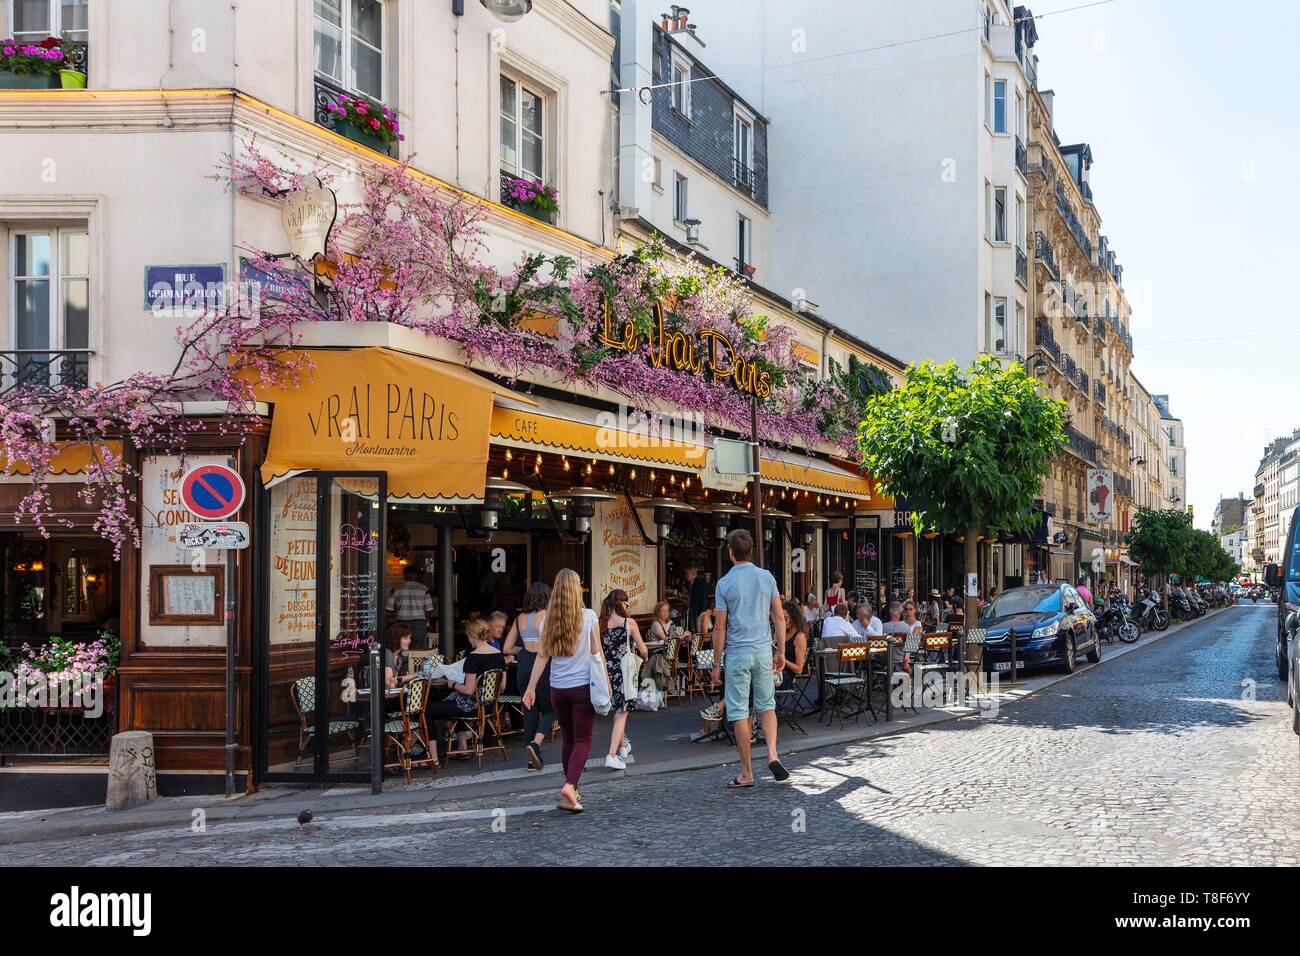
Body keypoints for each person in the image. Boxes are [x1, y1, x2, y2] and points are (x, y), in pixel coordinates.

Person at [712, 529, 788, 788]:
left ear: (730, 553)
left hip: (737, 654)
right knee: (767, 705)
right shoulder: (766, 577)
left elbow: (720, 628)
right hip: (762, 651)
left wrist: (715, 663)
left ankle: (746, 772)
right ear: (751, 550)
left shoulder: (724, 584)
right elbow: (779, 617)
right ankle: (772, 754)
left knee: (739, 712)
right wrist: (781, 651)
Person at [523, 568, 602, 813]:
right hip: (582, 688)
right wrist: (607, 685)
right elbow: (596, 654)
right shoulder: (589, 616)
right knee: (583, 740)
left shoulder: (548, 620)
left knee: (568, 738)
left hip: (558, 688)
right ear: (577, 590)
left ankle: (572, 793)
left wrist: (531, 687)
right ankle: (570, 785)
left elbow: (541, 656)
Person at [426, 618, 505, 755]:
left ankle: (433, 757)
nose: (468, 639)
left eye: (468, 636)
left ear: (473, 636)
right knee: (449, 701)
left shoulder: (472, 658)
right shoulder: (499, 655)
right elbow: (502, 686)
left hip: (472, 707)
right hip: (490, 706)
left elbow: (469, 690)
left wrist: (453, 684)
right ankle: (462, 746)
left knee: (428, 711)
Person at [502, 581, 551, 771]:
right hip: (543, 664)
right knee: (551, 709)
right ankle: (535, 745)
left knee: (529, 710)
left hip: (523, 664)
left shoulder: (519, 618)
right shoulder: (547, 616)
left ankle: (531, 760)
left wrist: (523, 649)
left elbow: (506, 648)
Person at [599, 589, 649, 770]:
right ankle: (611, 755)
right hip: (624, 673)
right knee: (622, 713)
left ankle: (623, 746)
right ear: (623, 604)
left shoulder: (601, 624)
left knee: (617, 711)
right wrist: (644, 659)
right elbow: (643, 649)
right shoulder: (629, 623)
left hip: (607, 673)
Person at [386, 565, 434, 649]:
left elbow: (388, 609)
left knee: (401, 648)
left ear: (404, 575)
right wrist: (426, 621)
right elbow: (429, 610)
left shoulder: (396, 589)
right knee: (418, 651)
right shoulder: (424, 589)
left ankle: (403, 662)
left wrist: (396, 616)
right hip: (419, 624)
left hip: (401, 624)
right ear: (417, 576)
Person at [778, 600, 809, 691]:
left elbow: (799, 669)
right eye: (781, 618)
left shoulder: (799, 637)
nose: (783, 621)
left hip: (786, 677)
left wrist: (782, 659)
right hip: (777, 672)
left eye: (785, 618)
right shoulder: (784, 633)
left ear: (794, 617)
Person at [383, 623, 415, 689]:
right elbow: (389, 683)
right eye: (406, 638)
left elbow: (394, 680)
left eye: (409, 638)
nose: (410, 641)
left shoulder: (399, 658)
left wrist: (419, 674)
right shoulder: (387, 654)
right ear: (396, 639)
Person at [685, 566, 709, 634]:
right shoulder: (701, 582)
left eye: (687, 574)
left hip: (699, 612)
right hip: (701, 610)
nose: (686, 576)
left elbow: (696, 600)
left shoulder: (697, 583)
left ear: (693, 574)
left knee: (699, 632)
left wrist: (694, 614)